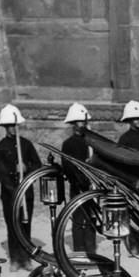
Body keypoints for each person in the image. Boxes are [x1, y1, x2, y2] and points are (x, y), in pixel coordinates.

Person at [0, 104, 41, 269]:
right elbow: (0, 172)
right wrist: (14, 190)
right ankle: (15, 258)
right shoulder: (0, 148)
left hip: (26, 193)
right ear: (4, 127)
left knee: (25, 225)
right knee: (13, 225)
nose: (12, 128)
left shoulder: (26, 145)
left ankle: (26, 258)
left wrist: (26, 167)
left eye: (14, 125)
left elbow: (38, 165)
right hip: (10, 194)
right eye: (9, 126)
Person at [61, 102, 98, 254]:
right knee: (78, 218)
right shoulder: (68, 144)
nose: (82, 124)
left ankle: (91, 248)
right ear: (73, 124)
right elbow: (67, 166)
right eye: (79, 122)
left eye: (84, 122)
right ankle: (79, 250)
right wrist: (81, 178)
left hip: (93, 186)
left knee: (92, 217)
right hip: (77, 186)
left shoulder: (91, 142)